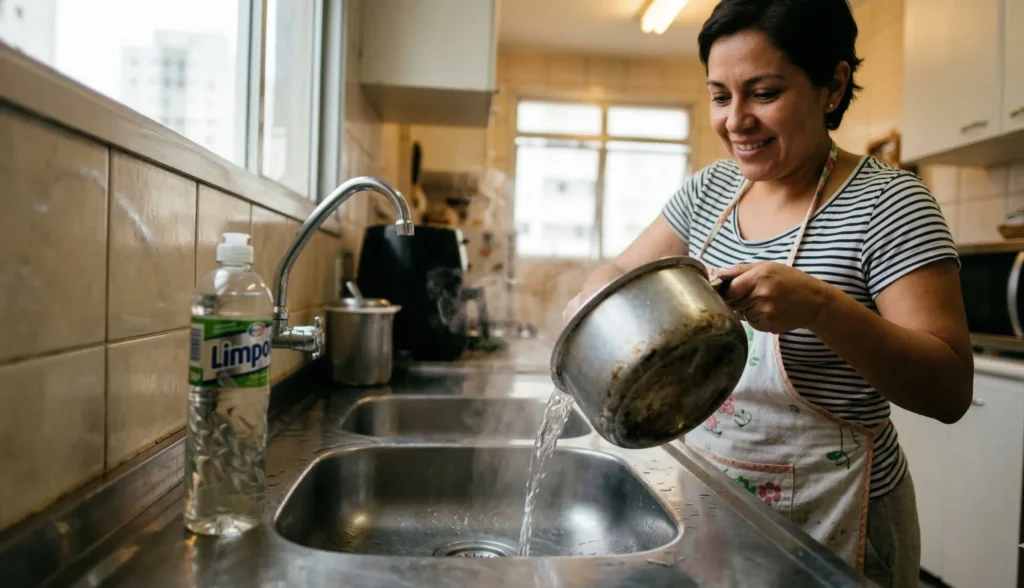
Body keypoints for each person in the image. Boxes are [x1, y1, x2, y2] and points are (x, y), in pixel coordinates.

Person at [562, 1, 973, 585]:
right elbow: (620, 268)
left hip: (836, 519)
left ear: (832, 86)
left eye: (764, 92)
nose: (736, 121)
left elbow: (950, 388)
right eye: (720, 96)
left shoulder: (890, 204)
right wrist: (592, 304)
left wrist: (820, 306)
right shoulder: (710, 190)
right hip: (713, 511)